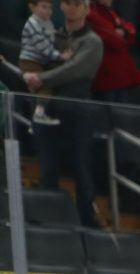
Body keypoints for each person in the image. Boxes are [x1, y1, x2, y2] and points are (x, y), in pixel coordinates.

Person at [22, 0, 102, 225]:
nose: (72, 7)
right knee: (48, 168)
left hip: (76, 111)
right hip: (47, 106)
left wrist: (42, 78)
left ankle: (87, 222)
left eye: (77, 3)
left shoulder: (92, 41)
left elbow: (75, 69)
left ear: (86, 9)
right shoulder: (50, 35)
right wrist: (29, 73)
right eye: (67, 2)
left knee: (81, 169)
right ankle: (50, 221)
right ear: (62, 7)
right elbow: (34, 59)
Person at [20, 0, 63, 125]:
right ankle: (39, 114)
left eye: (50, 8)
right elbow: (44, 48)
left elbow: (52, 39)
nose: (48, 11)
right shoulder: (32, 24)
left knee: (41, 86)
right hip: (30, 61)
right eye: (44, 7)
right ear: (32, 7)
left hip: (41, 62)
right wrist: (61, 56)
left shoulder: (47, 23)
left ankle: (36, 119)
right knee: (45, 82)